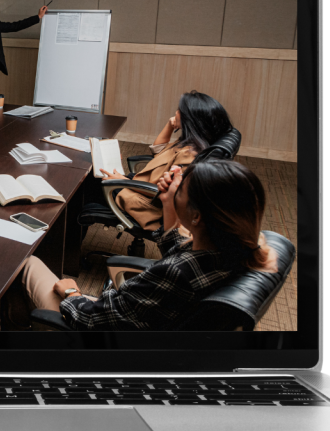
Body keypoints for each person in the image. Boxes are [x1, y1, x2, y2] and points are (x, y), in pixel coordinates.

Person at [20, 158, 278, 331]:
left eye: (182, 190)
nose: (176, 188)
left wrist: (71, 293)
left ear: (197, 217)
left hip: (99, 330)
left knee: (26, 262)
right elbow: (179, 250)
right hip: (135, 317)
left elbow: (91, 318)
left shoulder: (176, 273)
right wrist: (169, 202)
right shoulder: (239, 248)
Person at [98, 90, 233, 231]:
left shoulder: (190, 155)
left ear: (190, 120)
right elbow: (158, 149)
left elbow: (167, 193)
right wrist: (170, 125)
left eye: (179, 111)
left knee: (88, 185)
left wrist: (123, 181)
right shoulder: (193, 142)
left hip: (149, 203)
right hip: (142, 185)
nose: (175, 113)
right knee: (97, 174)